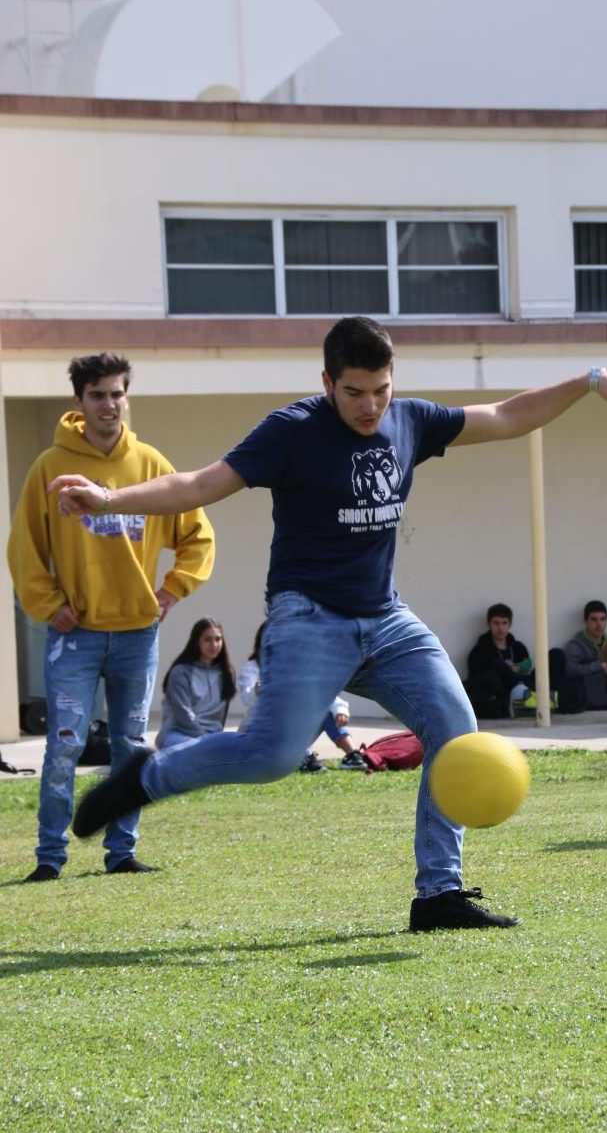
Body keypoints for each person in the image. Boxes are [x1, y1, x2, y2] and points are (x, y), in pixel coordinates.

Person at [50, 318, 607, 929]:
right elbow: (201, 483)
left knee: (455, 725)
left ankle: (438, 894)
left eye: (381, 390)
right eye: (354, 392)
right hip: (308, 618)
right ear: (327, 382)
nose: (370, 406)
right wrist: (108, 500)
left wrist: (590, 379)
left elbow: (504, 417)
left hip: (386, 618)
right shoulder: (292, 432)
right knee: (272, 756)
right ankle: (144, 777)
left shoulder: (410, 421)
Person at [6, 351, 214, 881]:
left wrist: (171, 591)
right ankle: (49, 859)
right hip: (73, 637)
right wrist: (51, 606)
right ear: (78, 401)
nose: (108, 404)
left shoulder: (149, 463)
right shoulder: (50, 467)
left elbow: (197, 535)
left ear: (128, 396)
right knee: (64, 746)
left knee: (132, 746)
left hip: (137, 636)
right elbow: (25, 550)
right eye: (96, 395)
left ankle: (121, 852)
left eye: (117, 393)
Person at [238, 621, 367, 771]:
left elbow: (322, 693)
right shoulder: (252, 669)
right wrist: (255, 691)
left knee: (325, 710)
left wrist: (340, 710)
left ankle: (352, 756)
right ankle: (302, 758)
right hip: (260, 734)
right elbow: (246, 698)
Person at [464, 603, 565, 718]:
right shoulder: (480, 650)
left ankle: (551, 697)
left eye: (504, 623)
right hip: (503, 691)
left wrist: (520, 668)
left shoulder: (518, 647)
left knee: (556, 654)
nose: (500, 628)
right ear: (489, 624)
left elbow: (527, 669)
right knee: (497, 665)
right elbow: (478, 679)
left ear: (510, 624)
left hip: (526, 684)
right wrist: (506, 669)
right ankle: (532, 697)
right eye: (496, 623)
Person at [156, 618, 235, 749]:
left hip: (211, 738)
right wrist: (205, 741)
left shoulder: (227, 673)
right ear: (196, 641)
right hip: (178, 735)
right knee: (197, 750)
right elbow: (183, 714)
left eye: (218, 639)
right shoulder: (181, 672)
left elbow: (221, 717)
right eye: (207, 639)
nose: (214, 645)